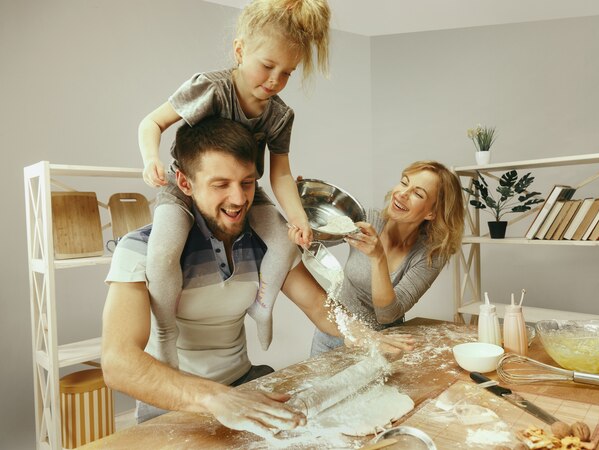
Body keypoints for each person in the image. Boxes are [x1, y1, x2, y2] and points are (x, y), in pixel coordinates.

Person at [102, 117, 413, 436]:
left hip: (245, 388)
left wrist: (364, 335)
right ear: (184, 183)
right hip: (174, 405)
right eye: (221, 184)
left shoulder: (265, 243)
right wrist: (213, 396)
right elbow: (118, 363)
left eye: (247, 182)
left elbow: (320, 308)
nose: (238, 199)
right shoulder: (140, 249)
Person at [137, 0, 331, 368]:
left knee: (284, 243)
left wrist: (297, 218)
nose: (275, 80)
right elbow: (152, 123)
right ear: (240, 50)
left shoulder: (280, 114)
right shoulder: (209, 88)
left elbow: (281, 174)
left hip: (246, 189)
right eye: (268, 66)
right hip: (187, 187)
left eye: (288, 73)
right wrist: (151, 158)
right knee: (162, 254)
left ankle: (262, 305)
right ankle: (164, 331)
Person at [309, 161, 466, 356]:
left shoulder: (430, 254)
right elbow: (311, 239)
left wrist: (378, 257)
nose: (402, 194)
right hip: (332, 336)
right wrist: (306, 208)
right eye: (403, 182)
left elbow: (387, 315)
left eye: (418, 194)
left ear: (431, 212)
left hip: (383, 345)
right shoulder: (365, 220)